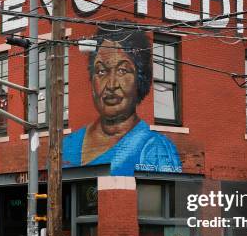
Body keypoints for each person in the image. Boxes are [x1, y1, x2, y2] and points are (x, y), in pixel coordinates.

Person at [63, 28, 182, 176]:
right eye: (101, 71)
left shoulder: (155, 149)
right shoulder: (67, 145)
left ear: (140, 79)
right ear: (92, 80)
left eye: (122, 71)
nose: (111, 85)